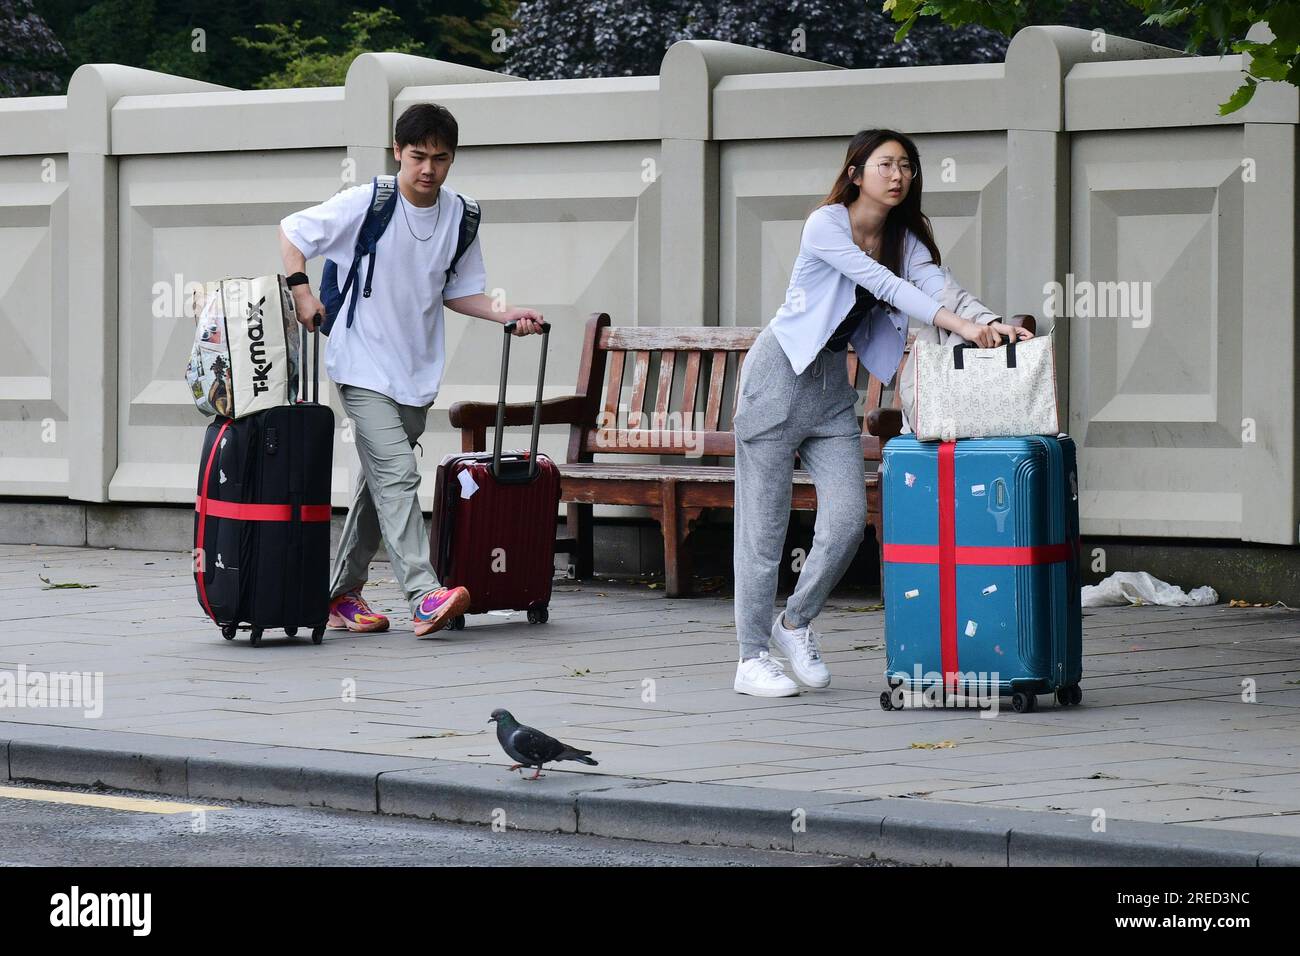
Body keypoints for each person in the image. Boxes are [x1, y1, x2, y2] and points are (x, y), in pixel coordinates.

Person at [731, 128, 1033, 697]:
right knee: (763, 531)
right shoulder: (826, 225)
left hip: (828, 391)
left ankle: (793, 622)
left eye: (907, 167)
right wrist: (961, 328)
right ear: (856, 172)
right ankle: (750, 658)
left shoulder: (903, 236)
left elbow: (939, 287)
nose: (897, 176)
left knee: (847, 522)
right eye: (885, 164)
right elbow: (886, 287)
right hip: (777, 379)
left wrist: (988, 321)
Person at [278, 103, 545, 637]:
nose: (428, 169)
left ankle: (339, 594)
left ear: (452, 159)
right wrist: (301, 292)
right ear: (398, 151)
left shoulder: (461, 216)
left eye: (440, 159)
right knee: (398, 475)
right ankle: (423, 595)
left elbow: (459, 290)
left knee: (380, 484)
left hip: (416, 373)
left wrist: (503, 313)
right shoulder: (368, 203)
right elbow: (293, 232)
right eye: (418, 156)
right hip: (359, 363)